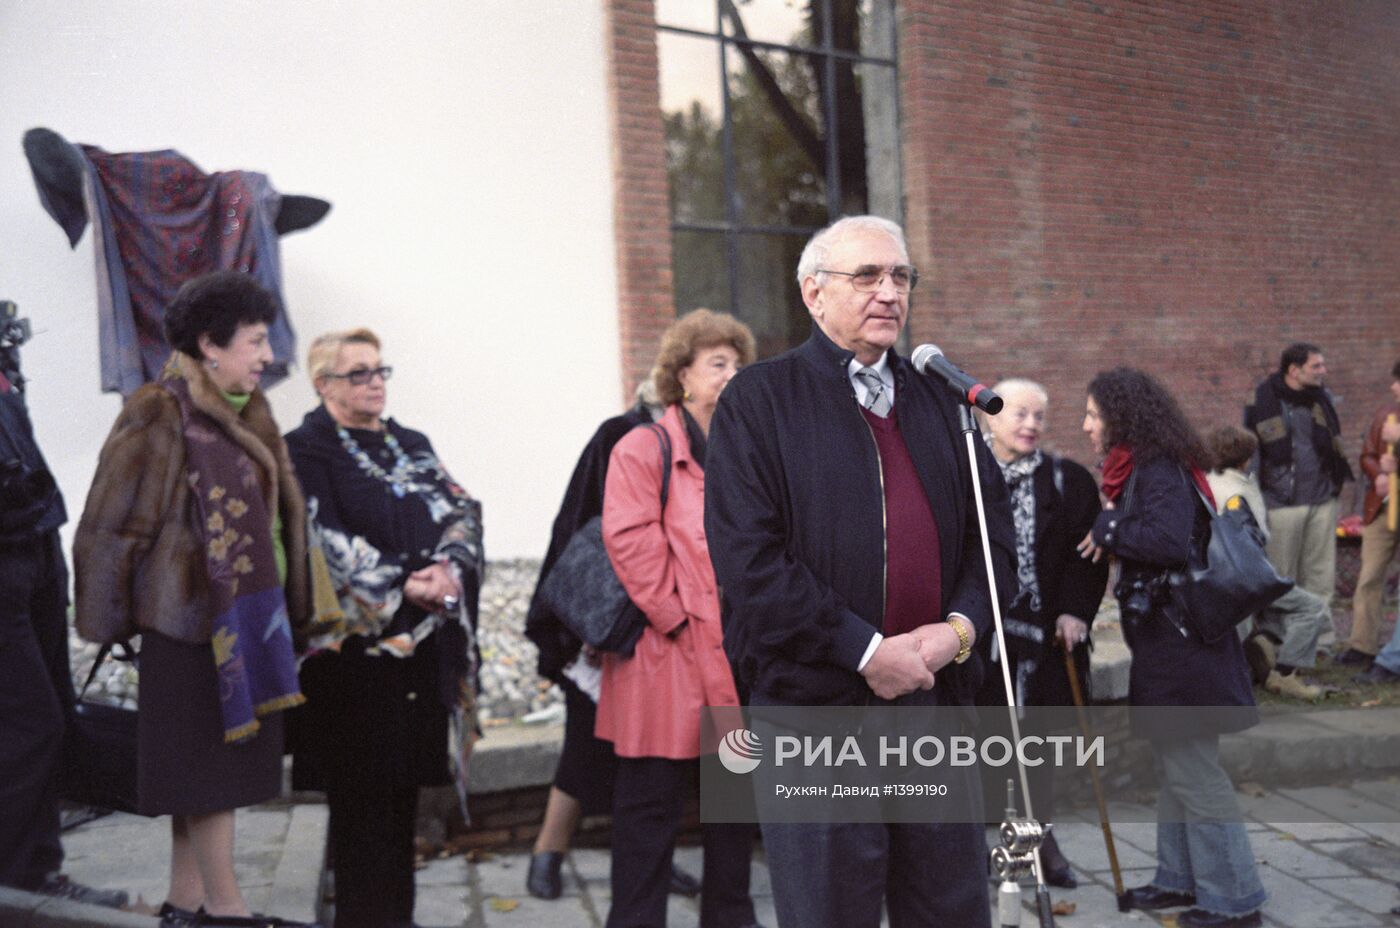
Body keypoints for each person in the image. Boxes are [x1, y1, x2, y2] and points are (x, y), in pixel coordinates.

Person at [705, 215, 1016, 928]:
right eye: (867, 276)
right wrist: (866, 651)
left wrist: (957, 635)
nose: (889, 292)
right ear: (814, 294)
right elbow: (749, 562)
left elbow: (994, 549)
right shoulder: (761, 400)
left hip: (935, 706)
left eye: (900, 276)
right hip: (816, 711)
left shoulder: (943, 402)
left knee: (949, 908)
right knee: (829, 911)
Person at [73, 271, 311, 927]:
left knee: (200, 772)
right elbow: (111, 526)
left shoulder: (249, 412)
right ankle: (227, 911)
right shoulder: (159, 411)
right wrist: (113, 620)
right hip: (187, 627)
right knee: (209, 774)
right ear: (211, 343)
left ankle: (187, 900)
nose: (268, 356)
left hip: (249, 622)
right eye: (257, 341)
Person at [284, 328, 484, 928]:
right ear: (323, 385)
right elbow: (321, 542)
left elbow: (461, 509)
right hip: (354, 667)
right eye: (358, 373)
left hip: (421, 658)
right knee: (362, 808)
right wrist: (406, 579)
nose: (375, 382)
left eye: (379, 371)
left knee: (403, 803)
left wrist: (449, 568)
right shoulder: (305, 450)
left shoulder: (411, 443)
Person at [1083, 367, 1265, 928]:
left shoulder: (1155, 467)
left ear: (1120, 417)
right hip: (1175, 643)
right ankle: (1179, 879)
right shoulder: (1145, 466)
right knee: (1176, 769)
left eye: (1092, 414)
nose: (1086, 426)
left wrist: (1108, 528)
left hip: (1184, 648)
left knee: (1195, 774)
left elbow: (1164, 540)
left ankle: (1234, 902)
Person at [597, 309, 760, 928]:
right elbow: (631, 542)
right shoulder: (643, 446)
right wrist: (678, 619)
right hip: (665, 659)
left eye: (738, 363)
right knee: (648, 811)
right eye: (718, 364)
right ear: (681, 376)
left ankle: (730, 918)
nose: (733, 374)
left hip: (735, 654)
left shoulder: (747, 448)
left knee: (732, 808)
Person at [521, 378, 701, 901]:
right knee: (587, 742)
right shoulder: (623, 435)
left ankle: (651, 862)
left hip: (669, 626)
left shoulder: (714, 442)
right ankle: (548, 852)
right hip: (607, 622)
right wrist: (580, 630)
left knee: (658, 762)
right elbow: (585, 530)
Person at [0, 328, 127, 908]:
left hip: (35, 543)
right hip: (8, 557)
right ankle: (18, 878)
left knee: (54, 715)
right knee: (33, 724)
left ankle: (38, 870)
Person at [973, 377, 1109, 889]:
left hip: (1045, 638)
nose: (1030, 425)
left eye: (1039, 417)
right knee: (978, 740)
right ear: (991, 416)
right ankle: (978, 844)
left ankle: (1039, 840)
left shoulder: (1067, 480)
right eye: (1018, 414)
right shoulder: (966, 473)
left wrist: (1076, 612)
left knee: (1038, 746)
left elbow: (1087, 559)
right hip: (977, 634)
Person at [1204, 425, 1330, 700]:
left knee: (1258, 621)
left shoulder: (1210, 482)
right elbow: (1247, 537)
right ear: (1244, 458)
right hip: (1247, 574)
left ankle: (1262, 653)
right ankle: (1284, 674)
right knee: (1311, 609)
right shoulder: (1236, 492)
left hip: (1222, 574)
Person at [1245, 343, 1352, 625]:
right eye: (1316, 366)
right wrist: (1255, 499)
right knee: (1281, 578)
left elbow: (1332, 446)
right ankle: (1279, 644)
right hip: (1281, 503)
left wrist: (1333, 487)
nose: (1323, 371)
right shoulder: (1263, 400)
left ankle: (1318, 642)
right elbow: (1253, 453)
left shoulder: (1322, 398)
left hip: (1322, 500)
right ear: (1294, 370)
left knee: (1320, 577)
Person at [1349, 361, 1400, 683]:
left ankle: (1391, 660)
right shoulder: (1386, 416)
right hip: (1382, 509)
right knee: (1369, 577)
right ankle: (1362, 645)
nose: (1393, 388)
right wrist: (1380, 474)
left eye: (1399, 382)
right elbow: (1368, 454)